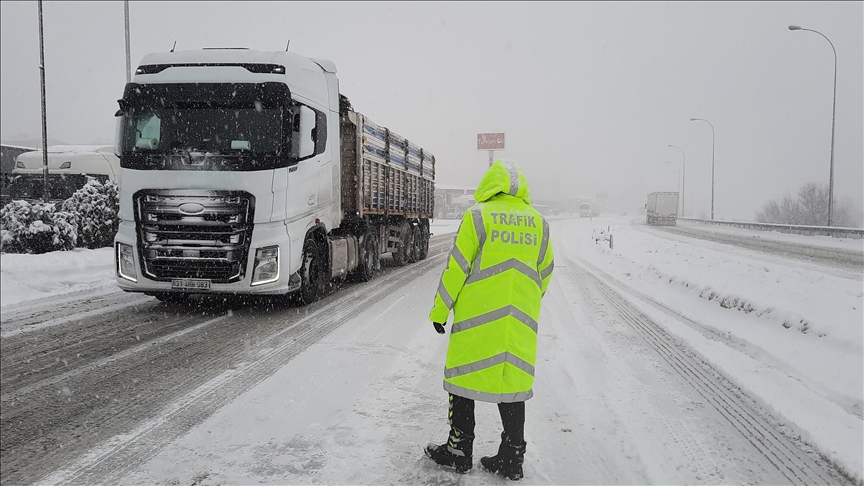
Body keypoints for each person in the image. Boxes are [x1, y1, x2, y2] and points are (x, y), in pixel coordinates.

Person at [424, 158, 554, 480]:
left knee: (464, 379)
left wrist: (441, 310)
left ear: (489, 186)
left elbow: (457, 267)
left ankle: (458, 449)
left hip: (476, 321)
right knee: (511, 385)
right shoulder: (538, 222)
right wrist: (524, 303)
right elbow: (546, 273)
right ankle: (512, 456)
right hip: (517, 326)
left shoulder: (478, 217)